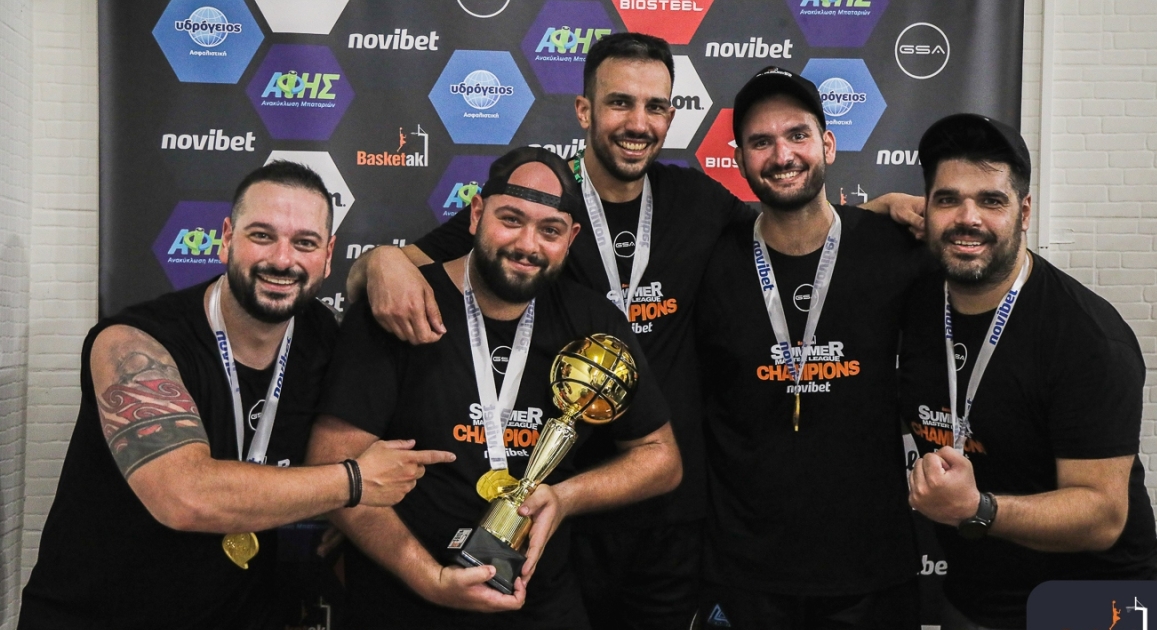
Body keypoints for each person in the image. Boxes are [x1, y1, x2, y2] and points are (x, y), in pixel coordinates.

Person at [348, 33, 924, 629]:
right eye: (620, 102)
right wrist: (382, 261)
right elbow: (402, 268)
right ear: (584, 110)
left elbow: (795, 220)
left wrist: (878, 212)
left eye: (655, 106)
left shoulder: (698, 201)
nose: (638, 123)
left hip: (670, 521)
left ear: (672, 116)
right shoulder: (541, 209)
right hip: (555, 509)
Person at [17, 161, 454, 630]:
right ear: (226, 238)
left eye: (304, 243)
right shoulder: (134, 344)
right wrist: (351, 484)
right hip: (101, 616)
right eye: (262, 236)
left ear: (328, 256)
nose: (282, 260)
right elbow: (183, 496)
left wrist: (384, 259)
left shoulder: (323, 340)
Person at [306, 146, 681, 629]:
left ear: (571, 238)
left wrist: (566, 498)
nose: (527, 244)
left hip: (538, 604)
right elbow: (331, 462)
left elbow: (660, 457)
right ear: (477, 213)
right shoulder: (401, 305)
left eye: (550, 230)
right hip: (405, 601)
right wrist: (430, 579)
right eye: (511, 219)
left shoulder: (592, 321)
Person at [901, 113, 1157, 629]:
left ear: (1024, 212)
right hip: (972, 597)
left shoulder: (1086, 338)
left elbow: (1103, 516)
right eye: (948, 199)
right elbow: (816, 233)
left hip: (1091, 604)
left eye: (991, 201)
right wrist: (879, 205)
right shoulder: (914, 300)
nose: (967, 218)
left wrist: (977, 509)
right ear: (925, 210)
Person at [692, 67, 927, 629]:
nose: (782, 155)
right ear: (739, 160)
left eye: (797, 134)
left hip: (870, 568)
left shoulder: (895, 247)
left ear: (828, 144)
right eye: (761, 142)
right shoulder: (709, 259)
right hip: (745, 573)